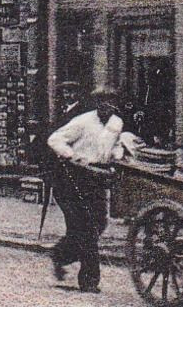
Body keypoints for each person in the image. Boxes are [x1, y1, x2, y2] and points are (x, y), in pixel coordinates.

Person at [48, 88, 126, 294]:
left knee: (99, 223)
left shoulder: (116, 124)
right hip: (74, 178)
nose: (107, 106)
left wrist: (117, 155)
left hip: (97, 177)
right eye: (102, 102)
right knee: (85, 230)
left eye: (111, 102)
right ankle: (89, 281)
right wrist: (71, 155)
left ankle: (60, 255)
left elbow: (116, 146)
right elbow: (55, 139)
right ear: (96, 103)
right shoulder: (83, 121)